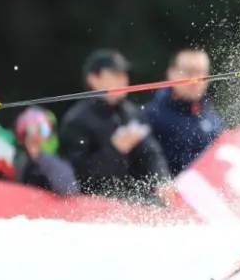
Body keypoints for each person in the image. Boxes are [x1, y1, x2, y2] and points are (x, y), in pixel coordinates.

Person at [59, 49, 174, 205]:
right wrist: (114, 149)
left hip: (138, 202)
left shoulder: (133, 114)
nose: (123, 79)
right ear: (93, 79)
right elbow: (76, 177)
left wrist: (161, 180)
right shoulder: (77, 121)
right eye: (115, 74)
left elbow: (151, 153)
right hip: (94, 205)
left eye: (124, 74)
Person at [143, 48, 225, 174]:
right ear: (171, 73)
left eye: (201, 72)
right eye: (188, 71)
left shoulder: (213, 119)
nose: (195, 79)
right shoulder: (150, 116)